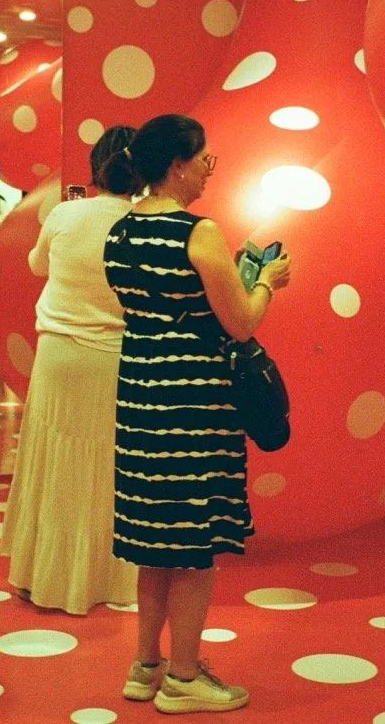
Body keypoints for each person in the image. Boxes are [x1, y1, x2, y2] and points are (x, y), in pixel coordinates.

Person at [103, 114, 291, 714]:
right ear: (178, 164)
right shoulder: (199, 231)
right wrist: (267, 282)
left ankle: (145, 665)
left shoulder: (122, 231)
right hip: (192, 405)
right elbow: (239, 320)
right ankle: (184, 677)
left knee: (155, 542)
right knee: (193, 547)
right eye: (206, 156)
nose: (212, 164)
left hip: (140, 398)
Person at [0, 126, 142, 615]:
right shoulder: (146, 223)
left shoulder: (65, 212)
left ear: (95, 166)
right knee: (109, 467)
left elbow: (38, 265)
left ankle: (43, 575)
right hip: (116, 356)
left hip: (58, 355)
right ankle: (101, 577)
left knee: (53, 459)